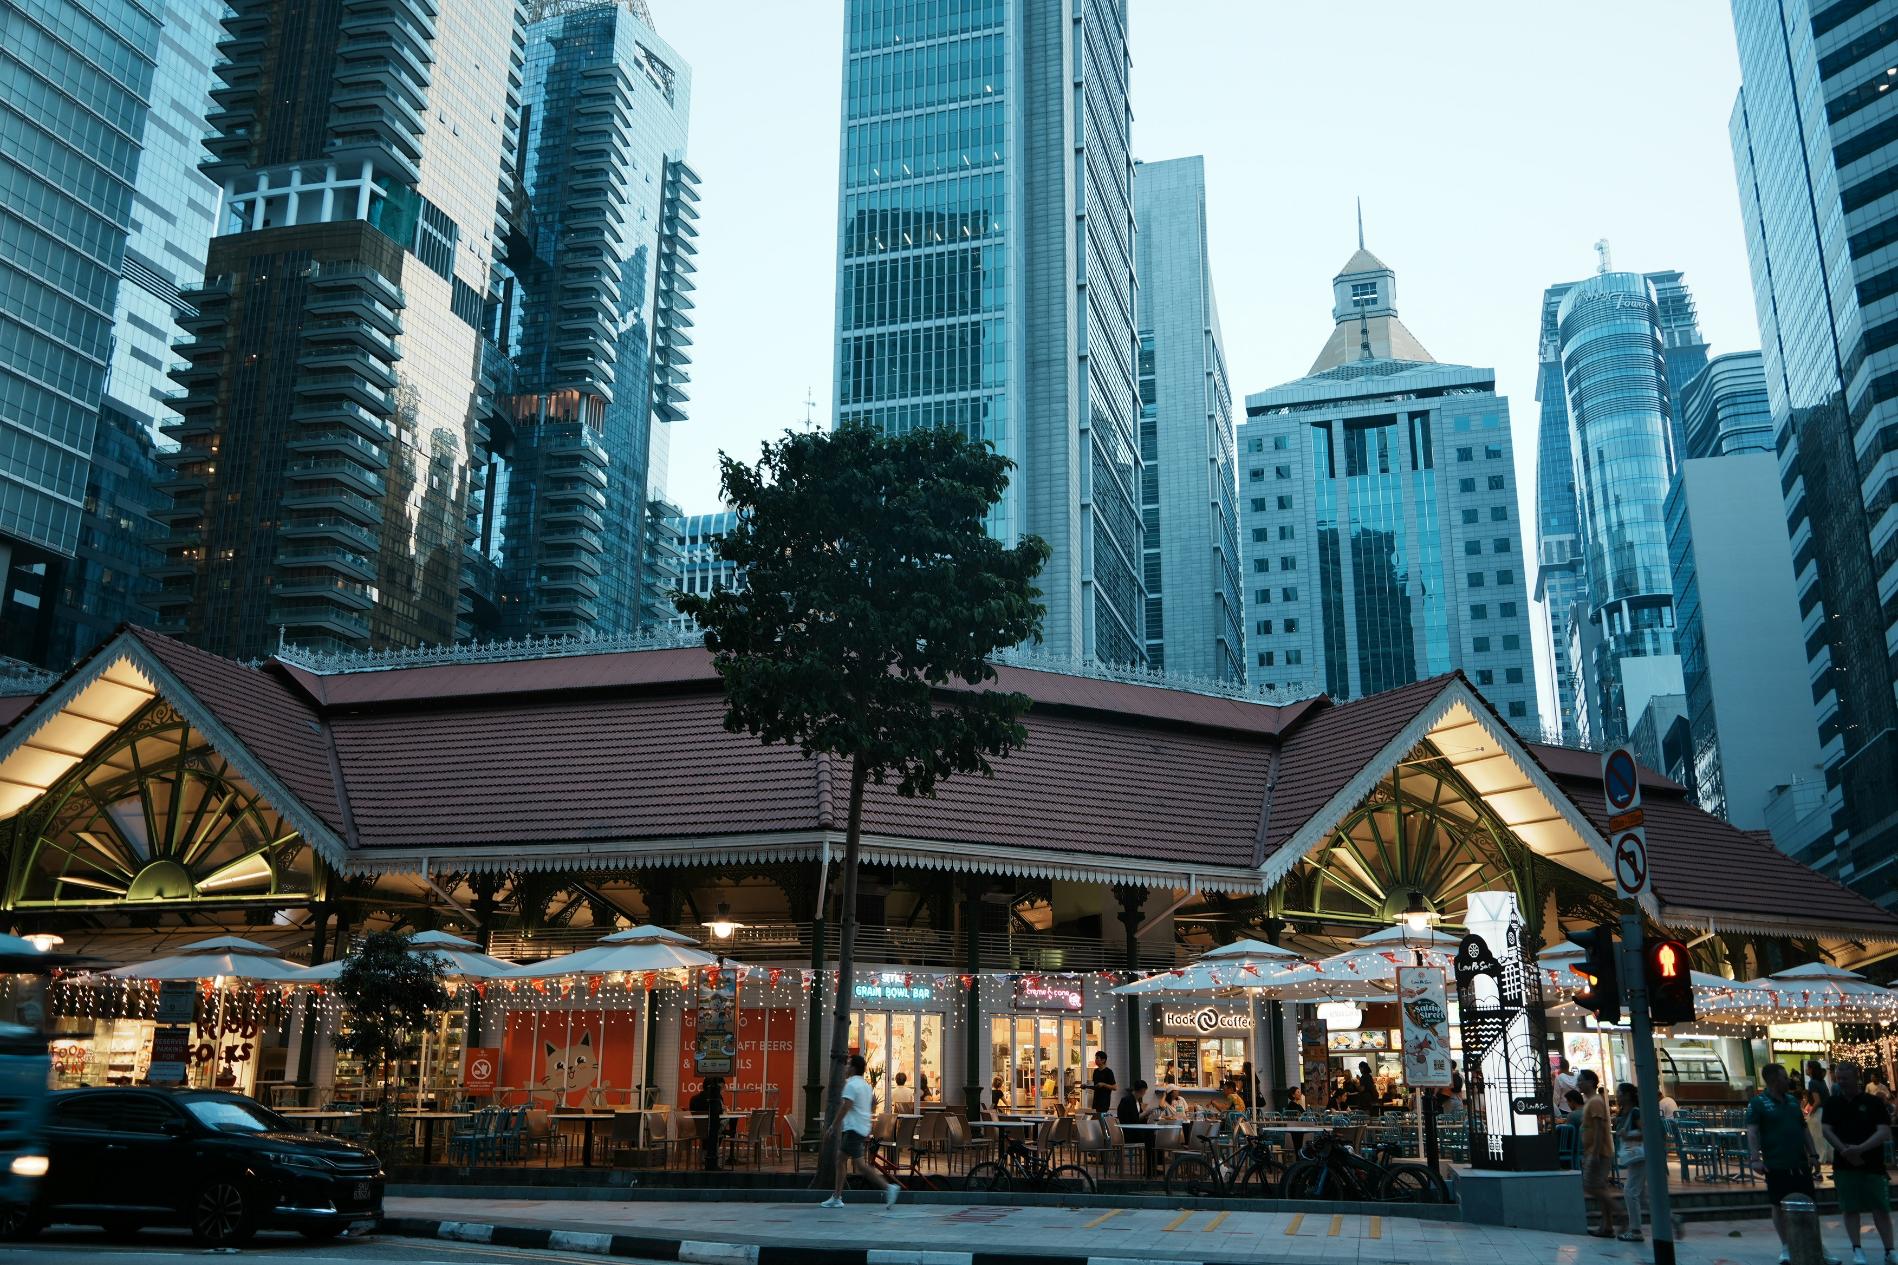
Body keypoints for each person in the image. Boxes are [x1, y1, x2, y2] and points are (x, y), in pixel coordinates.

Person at [1751, 1062, 1832, 1265]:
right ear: (1773, 1080)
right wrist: (1755, 1158)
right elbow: (1752, 1131)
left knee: (1809, 1204)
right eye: (1784, 1077)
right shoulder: (1758, 1103)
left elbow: (1803, 1128)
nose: (1788, 1080)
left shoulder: (1792, 1101)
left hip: (1799, 1161)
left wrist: (1813, 1154)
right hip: (1776, 1162)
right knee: (1778, 1205)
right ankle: (1786, 1246)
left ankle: (1815, 1245)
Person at [1822, 1062, 1896, 1265]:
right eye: (1839, 1078)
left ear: (1856, 1077)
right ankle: (1857, 1248)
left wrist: (1860, 1148)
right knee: (1850, 1208)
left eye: (1845, 1078)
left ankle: (1889, 1250)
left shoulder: (1873, 1103)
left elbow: (1883, 1131)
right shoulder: (1832, 1103)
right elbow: (1827, 1130)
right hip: (1845, 1165)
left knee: (1880, 1207)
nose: (1841, 1082)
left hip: (1872, 1164)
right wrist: (1844, 1150)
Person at [820, 1054, 897, 1209]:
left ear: (853, 1068)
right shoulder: (866, 1086)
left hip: (853, 1129)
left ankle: (889, 1188)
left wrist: (833, 1126)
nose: (846, 1068)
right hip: (860, 1129)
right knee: (841, 1160)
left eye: (848, 1065)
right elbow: (871, 1104)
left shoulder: (850, 1085)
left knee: (858, 1165)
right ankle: (837, 1196)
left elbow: (845, 1107)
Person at [1578, 1069, 1621, 1238]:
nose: (1578, 1083)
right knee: (1599, 1188)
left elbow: (1597, 1130)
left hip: (1598, 1153)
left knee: (1591, 1186)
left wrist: (1594, 1154)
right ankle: (1607, 1226)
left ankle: (1621, 1213)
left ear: (1590, 1082)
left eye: (1581, 1080)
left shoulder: (1595, 1102)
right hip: (1594, 1151)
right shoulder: (1591, 1101)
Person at [1614, 1081, 1648, 1244]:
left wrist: (1627, 1135)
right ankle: (1672, 1219)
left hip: (1640, 1156)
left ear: (1627, 1095)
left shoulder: (1635, 1112)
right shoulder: (1624, 1113)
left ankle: (1635, 1231)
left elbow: (1645, 1132)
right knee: (1642, 1198)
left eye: (1619, 1093)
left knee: (1629, 1191)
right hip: (1635, 1157)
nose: (1617, 1096)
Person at [688, 1075, 724, 1172]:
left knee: (711, 1131)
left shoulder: (694, 1099)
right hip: (712, 1131)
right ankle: (711, 1154)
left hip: (697, 1130)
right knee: (720, 1129)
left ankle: (704, 1154)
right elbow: (720, 1113)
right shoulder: (716, 1099)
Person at [1090, 1051, 1117, 1116]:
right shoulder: (1095, 1071)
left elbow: (1114, 1087)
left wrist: (1103, 1084)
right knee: (1095, 1118)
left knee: (1102, 1118)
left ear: (1103, 1060)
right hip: (1096, 1099)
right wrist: (1086, 1086)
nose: (1095, 1060)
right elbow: (1096, 1086)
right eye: (1095, 1058)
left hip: (1104, 1100)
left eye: (1097, 1058)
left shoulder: (1108, 1072)